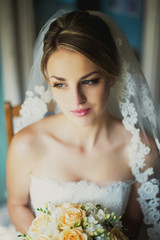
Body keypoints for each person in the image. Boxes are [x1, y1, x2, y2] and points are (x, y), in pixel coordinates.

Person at [6, 10, 160, 240]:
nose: (76, 99)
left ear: (112, 75)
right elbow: (17, 204)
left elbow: (133, 222)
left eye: (89, 81)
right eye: (60, 84)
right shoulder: (26, 144)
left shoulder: (141, 150)